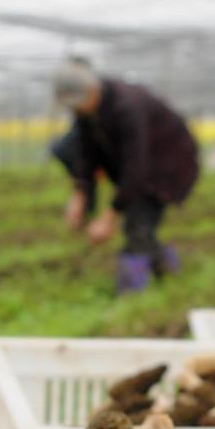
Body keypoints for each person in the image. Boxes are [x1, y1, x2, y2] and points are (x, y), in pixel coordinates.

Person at [53, 60, 199, 293]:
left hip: (167, 165)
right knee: (142, 224)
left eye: (80, 103)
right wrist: (80, 193)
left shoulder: (127, 107)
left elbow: (136, 169)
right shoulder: (87, 112)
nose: (77, 110)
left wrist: (110, 215)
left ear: (92, 91)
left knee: (138, 223)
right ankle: (168, 268)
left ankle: (131, 294)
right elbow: (85, 152)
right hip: (139, 165)